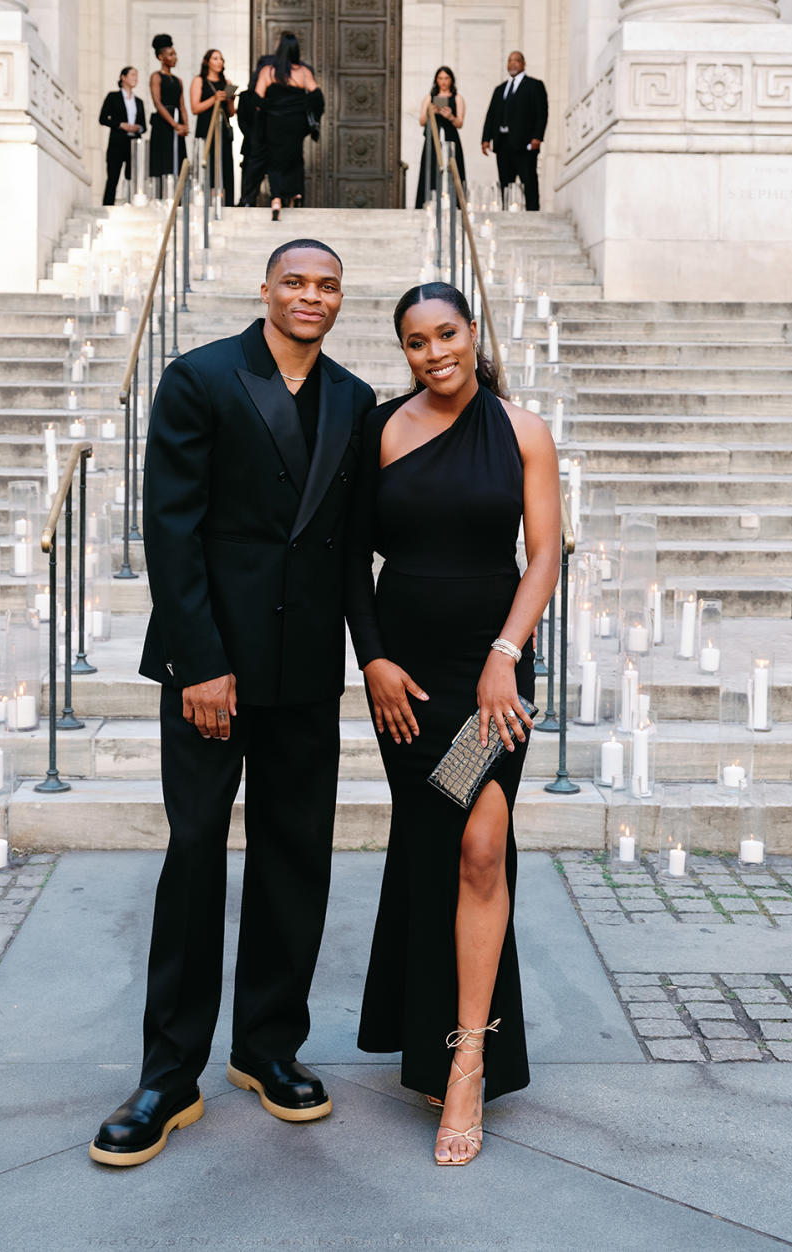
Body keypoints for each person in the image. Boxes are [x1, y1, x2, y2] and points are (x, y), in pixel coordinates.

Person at [89, 240, 375, 1168]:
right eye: (296, 281)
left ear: (340, 302)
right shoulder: (200, 377)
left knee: (297, 860)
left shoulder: (356, 399)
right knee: (195, 857)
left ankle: (267, 1048)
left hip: (303, 674)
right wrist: (200, 662)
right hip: (211, 671)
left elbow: (350, 546)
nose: (311, 296)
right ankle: (168, 1076)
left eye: (327, 286)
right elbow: (171, 531)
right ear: (266, 289)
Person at [345, 282, 560, 1166]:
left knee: (481, 848)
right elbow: (348, 556)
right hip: (407, 680)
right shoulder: (381, 429)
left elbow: (544, 553)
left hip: (491, 679)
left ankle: (467, 1057)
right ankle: (428, 1023)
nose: (434, 353)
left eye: (447, 334)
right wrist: (372, 659)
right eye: (415, 342)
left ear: (474, 333)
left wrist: (507, 653)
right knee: (433, 844)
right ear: (402, 351)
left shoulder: (522, 431)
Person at [254, 31, 324, 221]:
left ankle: (276, 199)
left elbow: (257, 98)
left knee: (274, 161)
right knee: (294, 159)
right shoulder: (303, 72)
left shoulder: (268, 71)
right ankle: (295, 194)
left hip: (274, 123)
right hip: (295, 123)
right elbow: (317, 96)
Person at [481, 51, 548, 211]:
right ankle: (506, 211)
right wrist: (485, 138)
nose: (512, 64)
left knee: (529, 180)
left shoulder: (534, 85)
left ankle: (533, 212)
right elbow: (491, 115)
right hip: (503, 143)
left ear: (523, 64)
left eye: (516, 60)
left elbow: (542, 113)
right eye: (510, 61)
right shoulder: (500, 89)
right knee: (505, 182)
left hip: (524, 143)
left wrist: (537, 137)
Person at [415, 67, 466, 209]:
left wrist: (449, 116)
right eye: (440, 78)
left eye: (446, 78)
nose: (443, 82)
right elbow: (421, 121)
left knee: (453, 168)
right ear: (436, 80)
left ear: (451, 80)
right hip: (432, 139)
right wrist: (431, 111)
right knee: (430, 169)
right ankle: (428, 202)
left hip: (450, 139)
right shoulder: (429, 98)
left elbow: (460, 123)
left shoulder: (457, 98)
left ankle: (455, 204)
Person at [190, 48, 235, 205]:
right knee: (208, 163)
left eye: (221, 59)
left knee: (224, 165)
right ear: (207, 61)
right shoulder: (199, 81)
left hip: (222, 129)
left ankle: (225, 201)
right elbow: (195, 108)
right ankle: (205, 200)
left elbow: (231, 113)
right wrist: (214, 99)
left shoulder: (226, 82)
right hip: (206, 128)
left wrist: (231, 99)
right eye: (215, 58)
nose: (219, 62)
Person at [148, 33, 189, 197]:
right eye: (171, 54)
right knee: (162, 159)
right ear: (161, 57)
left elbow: (182, 104)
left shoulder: (178, 80)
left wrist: (185, 125)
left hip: (177, 123)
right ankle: (160, 195)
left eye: (175, 54)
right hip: (163, 123)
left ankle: (178, 196)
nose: (175, 57)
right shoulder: (156, 77)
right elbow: (157, 103)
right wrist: (174, 124)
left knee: (179, 160)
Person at [99, 68, 146, 206]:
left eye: (136, 75)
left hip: (133, 142)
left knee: (132, 176)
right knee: (113, 176)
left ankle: (132, 202)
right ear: (123, 77)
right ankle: (107, 205)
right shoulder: (113, 97)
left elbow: (144, 124)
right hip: (117, 142)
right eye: (132, 75)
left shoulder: (139, 102)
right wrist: (121, 125)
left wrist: (137, 127)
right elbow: (103, 118)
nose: (135, 78)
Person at [236, 54, 275, 206]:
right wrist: (254, 136)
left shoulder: (277, 96)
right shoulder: (246, 96)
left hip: (274, 144)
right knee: (250, 182)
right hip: (252, 144)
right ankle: (246, 201)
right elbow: (242, 121)